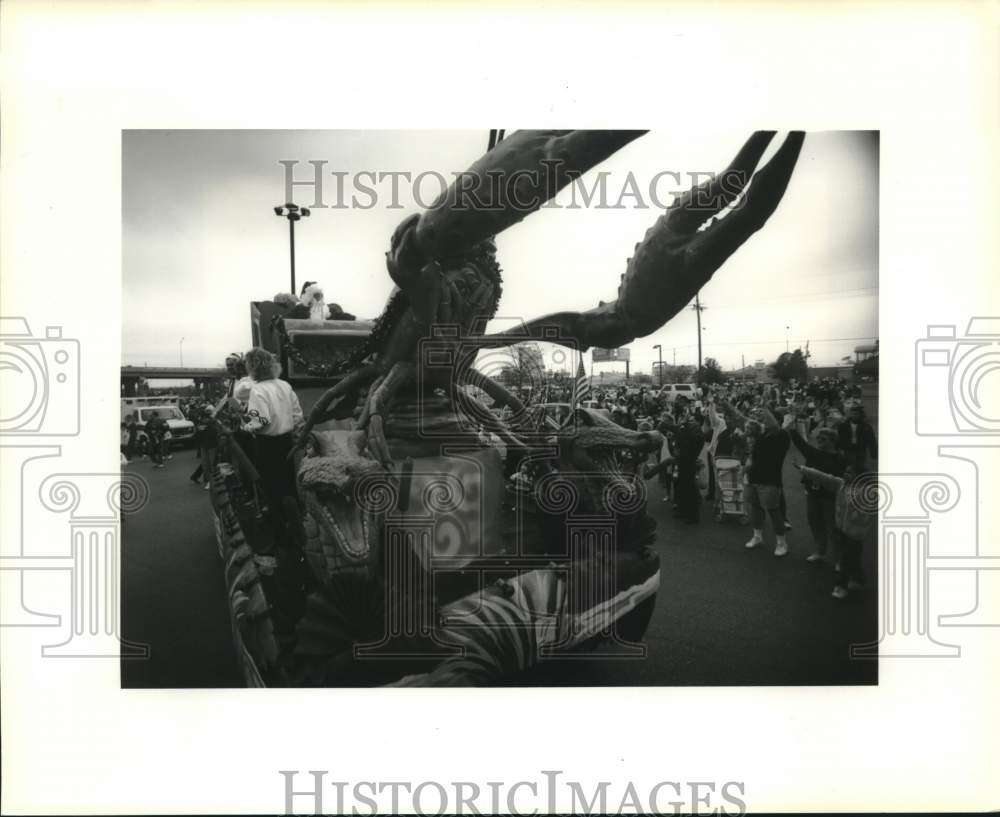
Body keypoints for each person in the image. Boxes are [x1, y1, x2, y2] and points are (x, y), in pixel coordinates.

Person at [241, 348, 304, 541]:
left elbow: (261, 421)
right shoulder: (285, 385)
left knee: (270, 489)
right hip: (286, 441)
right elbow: (298, 415)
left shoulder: (258, 390)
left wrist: (246, 426)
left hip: (267, 444)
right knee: (288, 484)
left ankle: (280, 535)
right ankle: (297, 525)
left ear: (252, 368)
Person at [796, 463, 876, 599]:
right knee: (853, 559)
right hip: (841, 530)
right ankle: (858, 580)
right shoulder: (841, 485)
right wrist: (804, 469)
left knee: (845, 559)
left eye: (850, 473)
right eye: (845, 472)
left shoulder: (868, 492)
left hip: (856, 535)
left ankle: (841, 586)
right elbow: (823, 477)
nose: (845, 474)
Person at [788, 424, 847, 563]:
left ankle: (839, 559)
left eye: (823, 439)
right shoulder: (813, 452)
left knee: (833, 527)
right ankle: (821, 552)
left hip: (830, 498)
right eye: (818, 438)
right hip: (812, 495)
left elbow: (839, 481)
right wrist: (791, 427)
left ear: (832, 441)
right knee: (815, 524)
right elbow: (800, 443)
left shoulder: (840, 459)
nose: (819, 440)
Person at [743, 407, 791, 555]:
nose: (761, 421)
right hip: (753, 478)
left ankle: (782, 543)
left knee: (774, 511)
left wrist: (765, 410)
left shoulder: (782, 436)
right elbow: (745, 422)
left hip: (770, 480)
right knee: (755, 507)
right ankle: (757, 537)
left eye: (764, 419)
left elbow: (774, 426)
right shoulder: (760, 436)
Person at [837, 404, 877, 472]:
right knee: (848, 466)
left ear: (860, 415)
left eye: (856, 414)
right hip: (848, 449)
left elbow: (872, 440)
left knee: (859, 466)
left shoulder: (866, 427)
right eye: (852, 414)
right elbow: (839, 438)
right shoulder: (843, 426)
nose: (854, 416)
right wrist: (839, 449)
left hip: (860, 449)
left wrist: (873, 454)